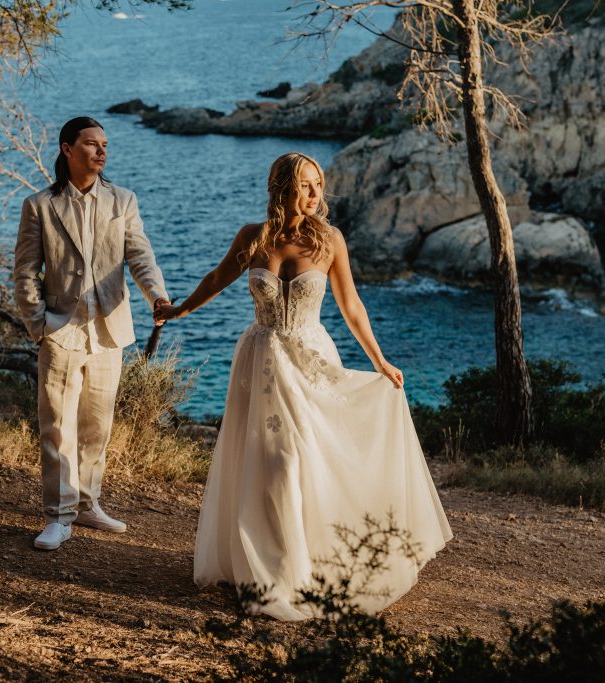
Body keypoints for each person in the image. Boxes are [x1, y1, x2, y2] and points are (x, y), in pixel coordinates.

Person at [155, 152, 452, 620]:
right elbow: (217, 277)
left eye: (318, 184)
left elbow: (351, 306)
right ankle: (270, 569)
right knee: (264, 462)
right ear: (282, 188)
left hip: (310, 361)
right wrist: (180, 310)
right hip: (260, 360)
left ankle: (305, 569)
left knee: (297, 460)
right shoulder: (253, 237)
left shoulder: (329, 240)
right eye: (306, 184)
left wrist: (379, 360)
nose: (316, 194)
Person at [14, 116, 170, 551]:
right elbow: (25, 271)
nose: (101, 151)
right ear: (67, 149)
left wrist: (157, 296)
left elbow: (140, 256)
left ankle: (87, 503)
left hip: (108, 329)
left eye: (105, 144)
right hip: (61, 329)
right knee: (57, 427)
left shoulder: (123, 200)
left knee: (97, 425)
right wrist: (39, 323)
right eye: (91, 143)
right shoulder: (40, 205)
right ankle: (58, 515)